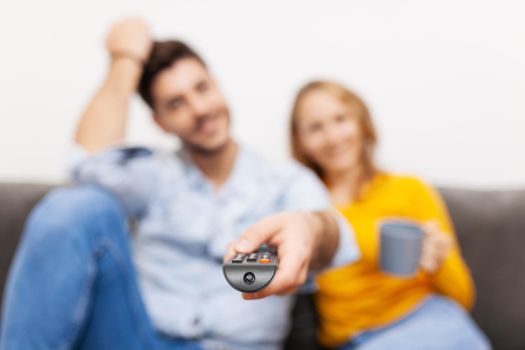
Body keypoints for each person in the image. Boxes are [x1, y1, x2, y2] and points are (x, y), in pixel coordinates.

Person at [0, 19, 360, 350]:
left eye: (202, 88)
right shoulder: (153, 176)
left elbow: (336, 235)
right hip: (141, 340)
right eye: (177, 103)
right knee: (79, 204)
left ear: (217, 85)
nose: (200, 108)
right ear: (161, 122)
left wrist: (308, 229)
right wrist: (125, 57)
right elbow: (85, 162)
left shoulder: (285, 181)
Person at [289, 80, 491, 349]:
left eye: (341, 119)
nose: (333, 136)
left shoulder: (409, 190)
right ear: (300, 142)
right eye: (315, 127)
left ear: (362, 122)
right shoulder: (307, 208)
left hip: (431, 318)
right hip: (359, 338)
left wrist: (440, 262)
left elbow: (463, 298)